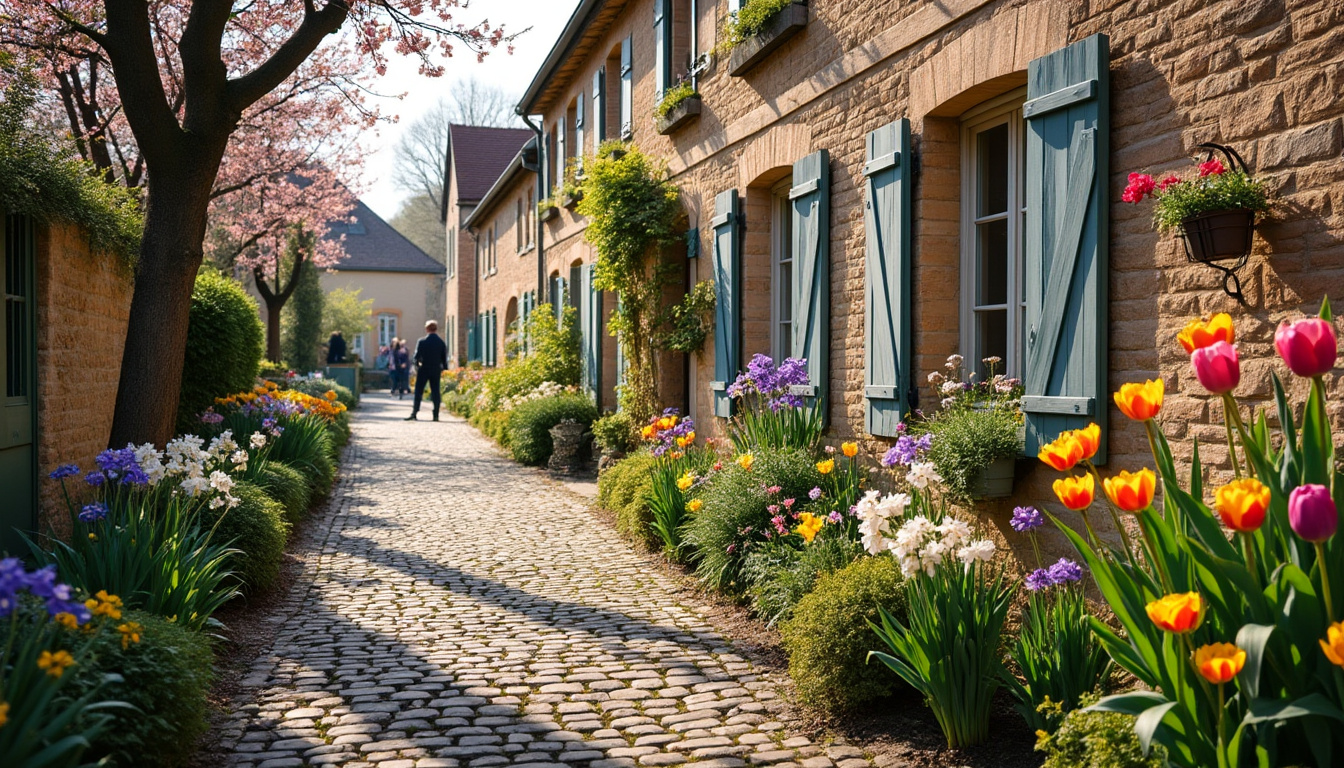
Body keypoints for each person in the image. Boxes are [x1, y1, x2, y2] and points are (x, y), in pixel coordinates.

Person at [405, 321, 447, 421]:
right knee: (435, 391)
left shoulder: (422, 342)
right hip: (436, 369)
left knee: (419, 391)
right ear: (436, 329)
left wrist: (417, 365)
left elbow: (416, 357)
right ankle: (436, 414)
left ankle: (415, 412)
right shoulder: (441, 342)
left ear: (427, 329)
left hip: (424, 369)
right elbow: (444, 359)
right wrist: (444, 369)